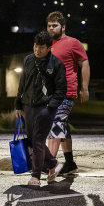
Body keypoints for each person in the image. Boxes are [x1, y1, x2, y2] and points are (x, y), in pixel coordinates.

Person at [15, 30, 67, 186]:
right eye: (35, 46)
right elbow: (23, 83)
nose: (37, 50)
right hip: (29, 106)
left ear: (49, 48)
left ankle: (35, 176)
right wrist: (19, 103)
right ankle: (53, 164)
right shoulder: (28, 60)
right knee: (32, 140)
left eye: (41, 47)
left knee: (38, 139)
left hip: (45, 108)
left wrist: (51, 106)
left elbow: (61, 89)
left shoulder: (56, 64)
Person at [46, 11, 90, 175]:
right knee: (62, 127)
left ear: (63, 27)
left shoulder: (73, 43)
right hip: (51, 94)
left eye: (55, 26)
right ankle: (70, 163)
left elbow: (84, 63)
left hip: (66, 92)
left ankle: (50, 164)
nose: (51, 28)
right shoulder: (48, 44)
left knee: (56, 125)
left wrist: (84, 88)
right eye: (49, 26)